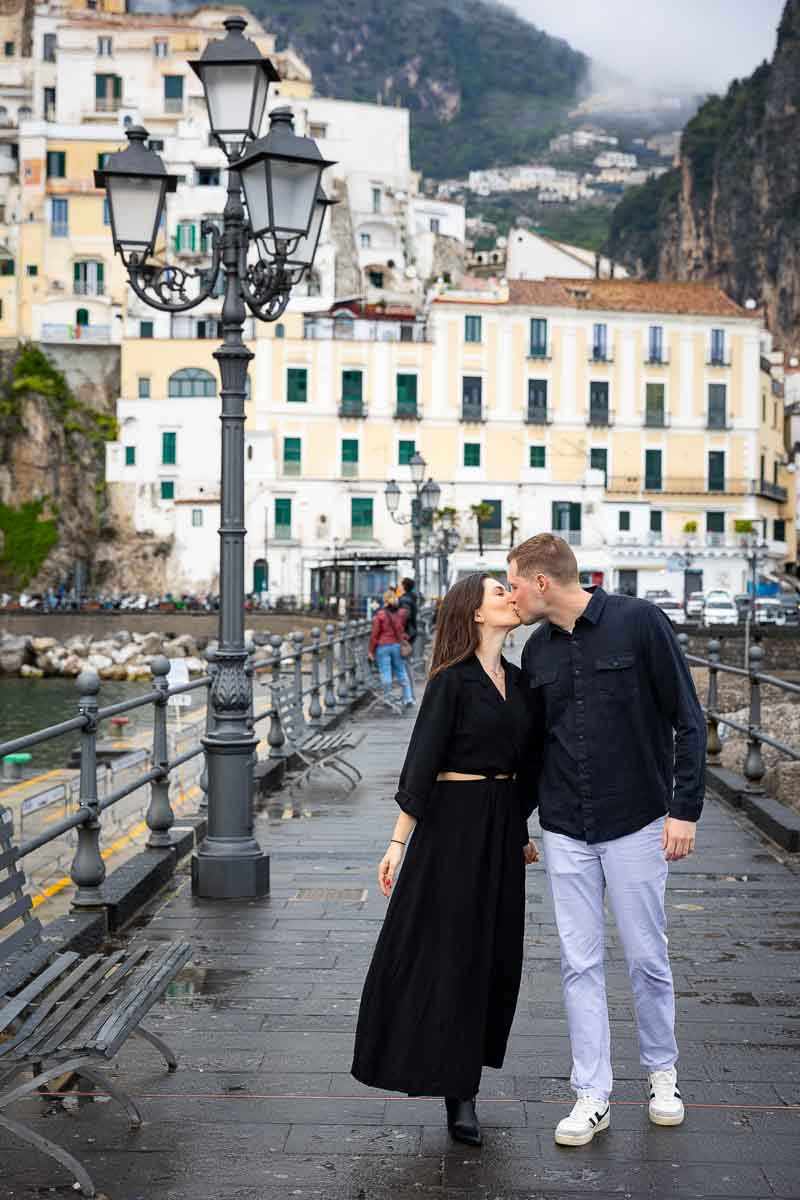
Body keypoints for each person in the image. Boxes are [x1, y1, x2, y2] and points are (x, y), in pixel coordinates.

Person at [507, 533, 705, 1148]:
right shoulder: (536, 649)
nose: (510, 594)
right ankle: (591, 1095)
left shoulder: (640, 622)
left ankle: (662, 1074)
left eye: (514, 582)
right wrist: (518, 821)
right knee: (578, 962)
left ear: (543, 582)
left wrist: (684, 810)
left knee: (648, 955)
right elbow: (535, 748)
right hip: (565, 826)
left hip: (638, 821)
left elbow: (688, 719)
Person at [352, 574, 540, 1147]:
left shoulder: (523, 682)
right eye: (499, 593)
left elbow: (526, 764)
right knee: (452, 955)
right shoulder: (450, 683)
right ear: (476, 615)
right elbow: (421, 765)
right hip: (451, 830)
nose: (512, 596)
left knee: (493, 955)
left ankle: (469, 1071)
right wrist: (396, 843)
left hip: (501, 829)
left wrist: (519, 829)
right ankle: (460, 1096)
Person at [368, 589, 413, 709]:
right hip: (396, 646)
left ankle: (387, 698)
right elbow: (400, 630)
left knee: (385, 673)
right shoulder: (399, 614)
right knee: (401, 672)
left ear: (384, 601)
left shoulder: (380, 615)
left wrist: (371, 651)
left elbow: (375, 635)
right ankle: (408, 698)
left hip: (383, 647)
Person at [396, 578, 419, 698]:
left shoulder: (404, 600)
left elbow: (402, 618)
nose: (399, 587)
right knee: (406, 665)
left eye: (400, 585)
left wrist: (400, 633)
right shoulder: (412, 598)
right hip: (411, 633)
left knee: (403, 666)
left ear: (404, 586)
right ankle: (409, 694)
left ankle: (409, 696)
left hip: (405, 636)